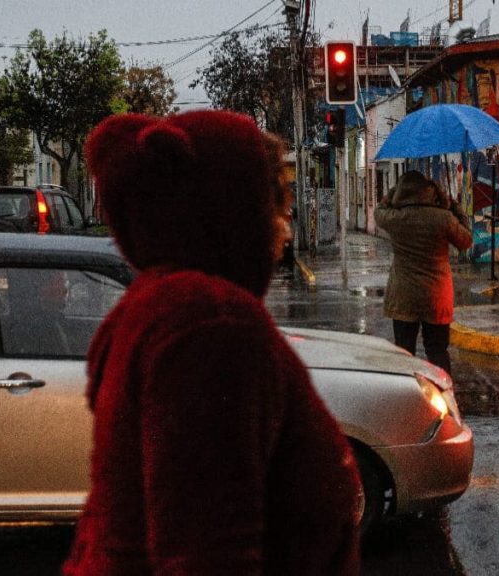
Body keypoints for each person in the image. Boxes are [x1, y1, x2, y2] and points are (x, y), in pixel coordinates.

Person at [64, 111, 361, 575]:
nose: (284, 231)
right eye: (275, 208)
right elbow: (208, 554)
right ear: (231, 209)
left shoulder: (161, 304)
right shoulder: (209, 322)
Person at [375, 170, 473, 375]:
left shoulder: (395, 217)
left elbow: (379, 210)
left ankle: (406, 394)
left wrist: (393, 193)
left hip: (403, 296)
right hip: (436, 295)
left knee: (404, 351)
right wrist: (455, 207)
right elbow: (466, 241)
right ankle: (442, 394)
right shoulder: (444, 218)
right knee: (437, 350)